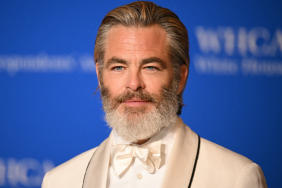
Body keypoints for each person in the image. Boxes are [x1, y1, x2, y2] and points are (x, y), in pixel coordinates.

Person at [41, 1, 267, 188]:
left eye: (151, 67)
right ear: (100, 77)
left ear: (180, 77)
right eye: (119, 67)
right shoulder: (58, 181)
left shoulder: (238, 177)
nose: (134, 84)